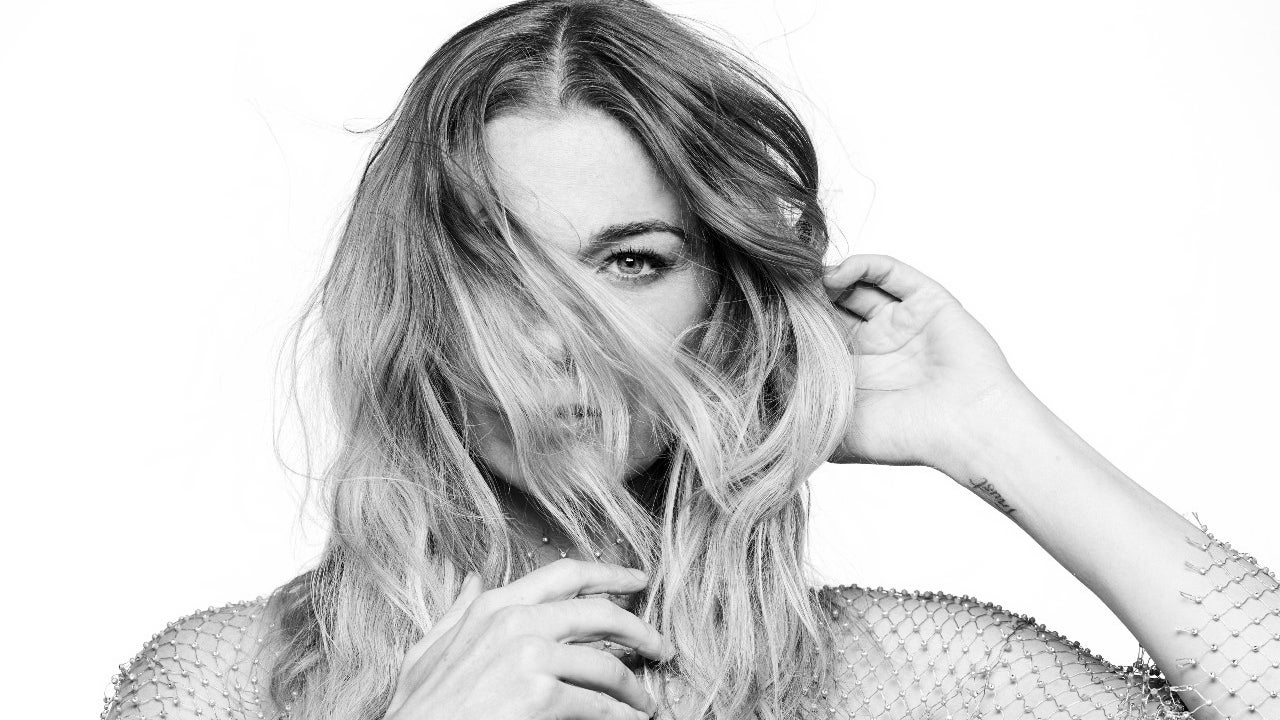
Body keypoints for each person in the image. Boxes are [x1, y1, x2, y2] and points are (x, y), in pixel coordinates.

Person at [100, 1, 1280, 719]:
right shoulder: (229, 688)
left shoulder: (909, 682)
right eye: (499, 267)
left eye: (630, 262)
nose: (559, 336)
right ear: (417, 305)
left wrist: (993, 433)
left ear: (724, 301)